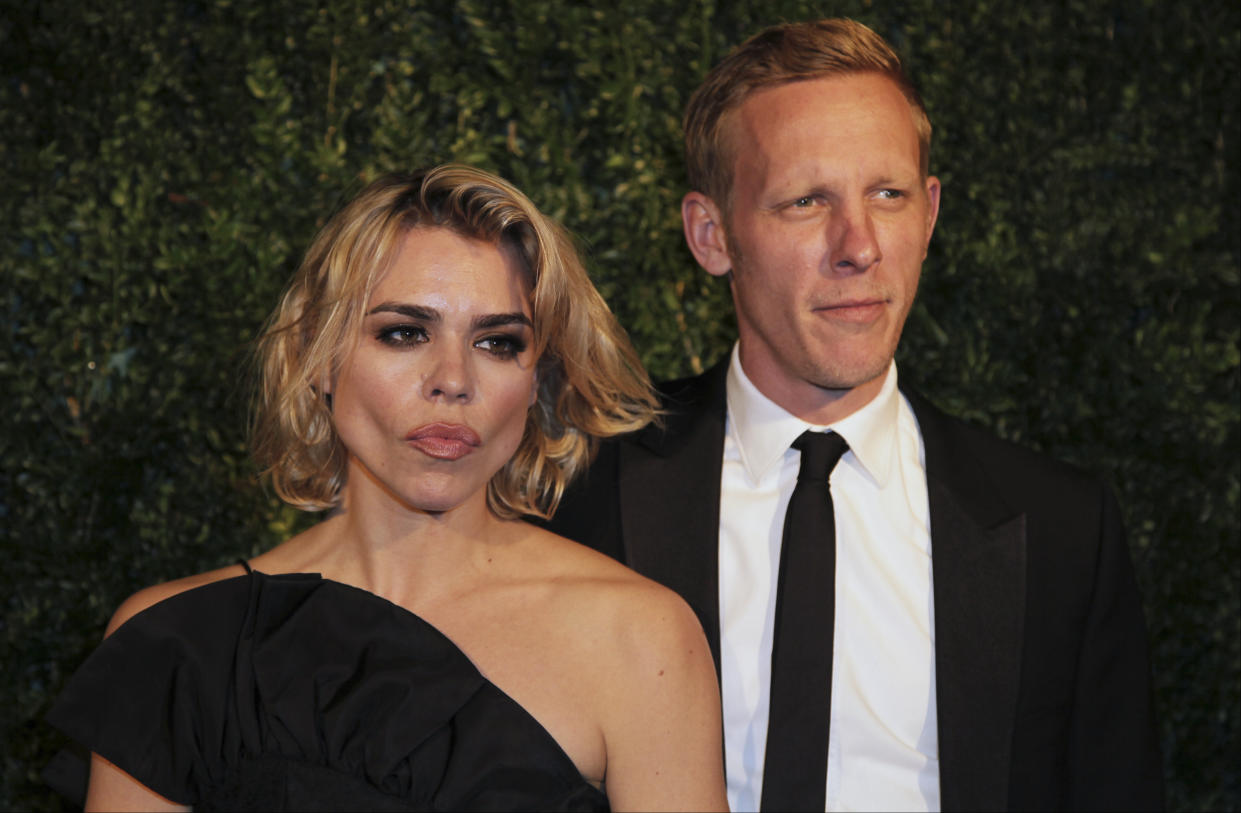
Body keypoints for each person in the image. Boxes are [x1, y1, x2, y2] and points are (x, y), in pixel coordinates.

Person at [546, 18, 1163, 812]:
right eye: (806, 201)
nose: (859, 246)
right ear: (710, 235)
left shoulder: (1060, 527)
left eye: (888, 194)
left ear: (929, 213)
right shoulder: (579, 485)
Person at [48, 165, 728, 812]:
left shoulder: (638, 640)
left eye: (497, 343)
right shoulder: (179, 640)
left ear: (537, 378)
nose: (452, 378)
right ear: (318, 356)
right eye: (403, 333)